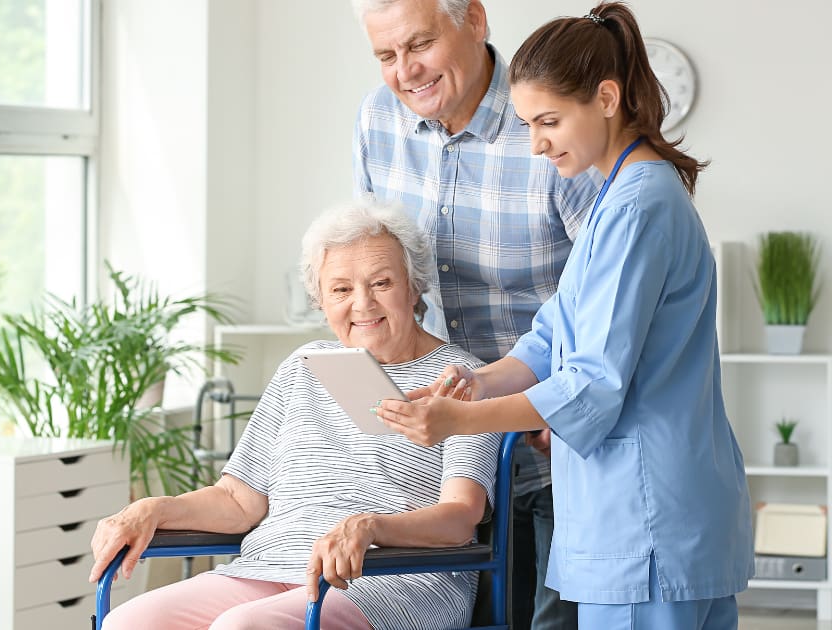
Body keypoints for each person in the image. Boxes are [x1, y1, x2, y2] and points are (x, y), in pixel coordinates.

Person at [374, 3, 754, 628]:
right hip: (663, 519)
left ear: (606, 99)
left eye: (549, 121)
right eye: (526, 124)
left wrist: (462, 419)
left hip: (644, 522)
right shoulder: (621, 198)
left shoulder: (638, 208)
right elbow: (554, 333)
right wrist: (479, 381)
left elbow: (589, 384)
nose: (538, 143)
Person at [89, 200, 502, 630]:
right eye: (341, 289)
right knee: (128, 622)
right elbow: (237, 500)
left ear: (414, 287)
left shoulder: (460, 380)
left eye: (381, 283)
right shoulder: (304, 366)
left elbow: (459, 518)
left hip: (394, 580)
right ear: (320, 299)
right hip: (267, 567)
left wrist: (370, 528)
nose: (362, 304)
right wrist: (153, 509)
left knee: (242, 627)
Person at [349, 1, 602, 627]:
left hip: (548, 443)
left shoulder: (548, 125)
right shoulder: (379, 120)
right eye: (386, 55)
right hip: (440, 456)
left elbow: (602, 293)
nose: (406, 71)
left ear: (476, 21)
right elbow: (377, 271)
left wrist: (554, 405)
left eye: (420, 44)